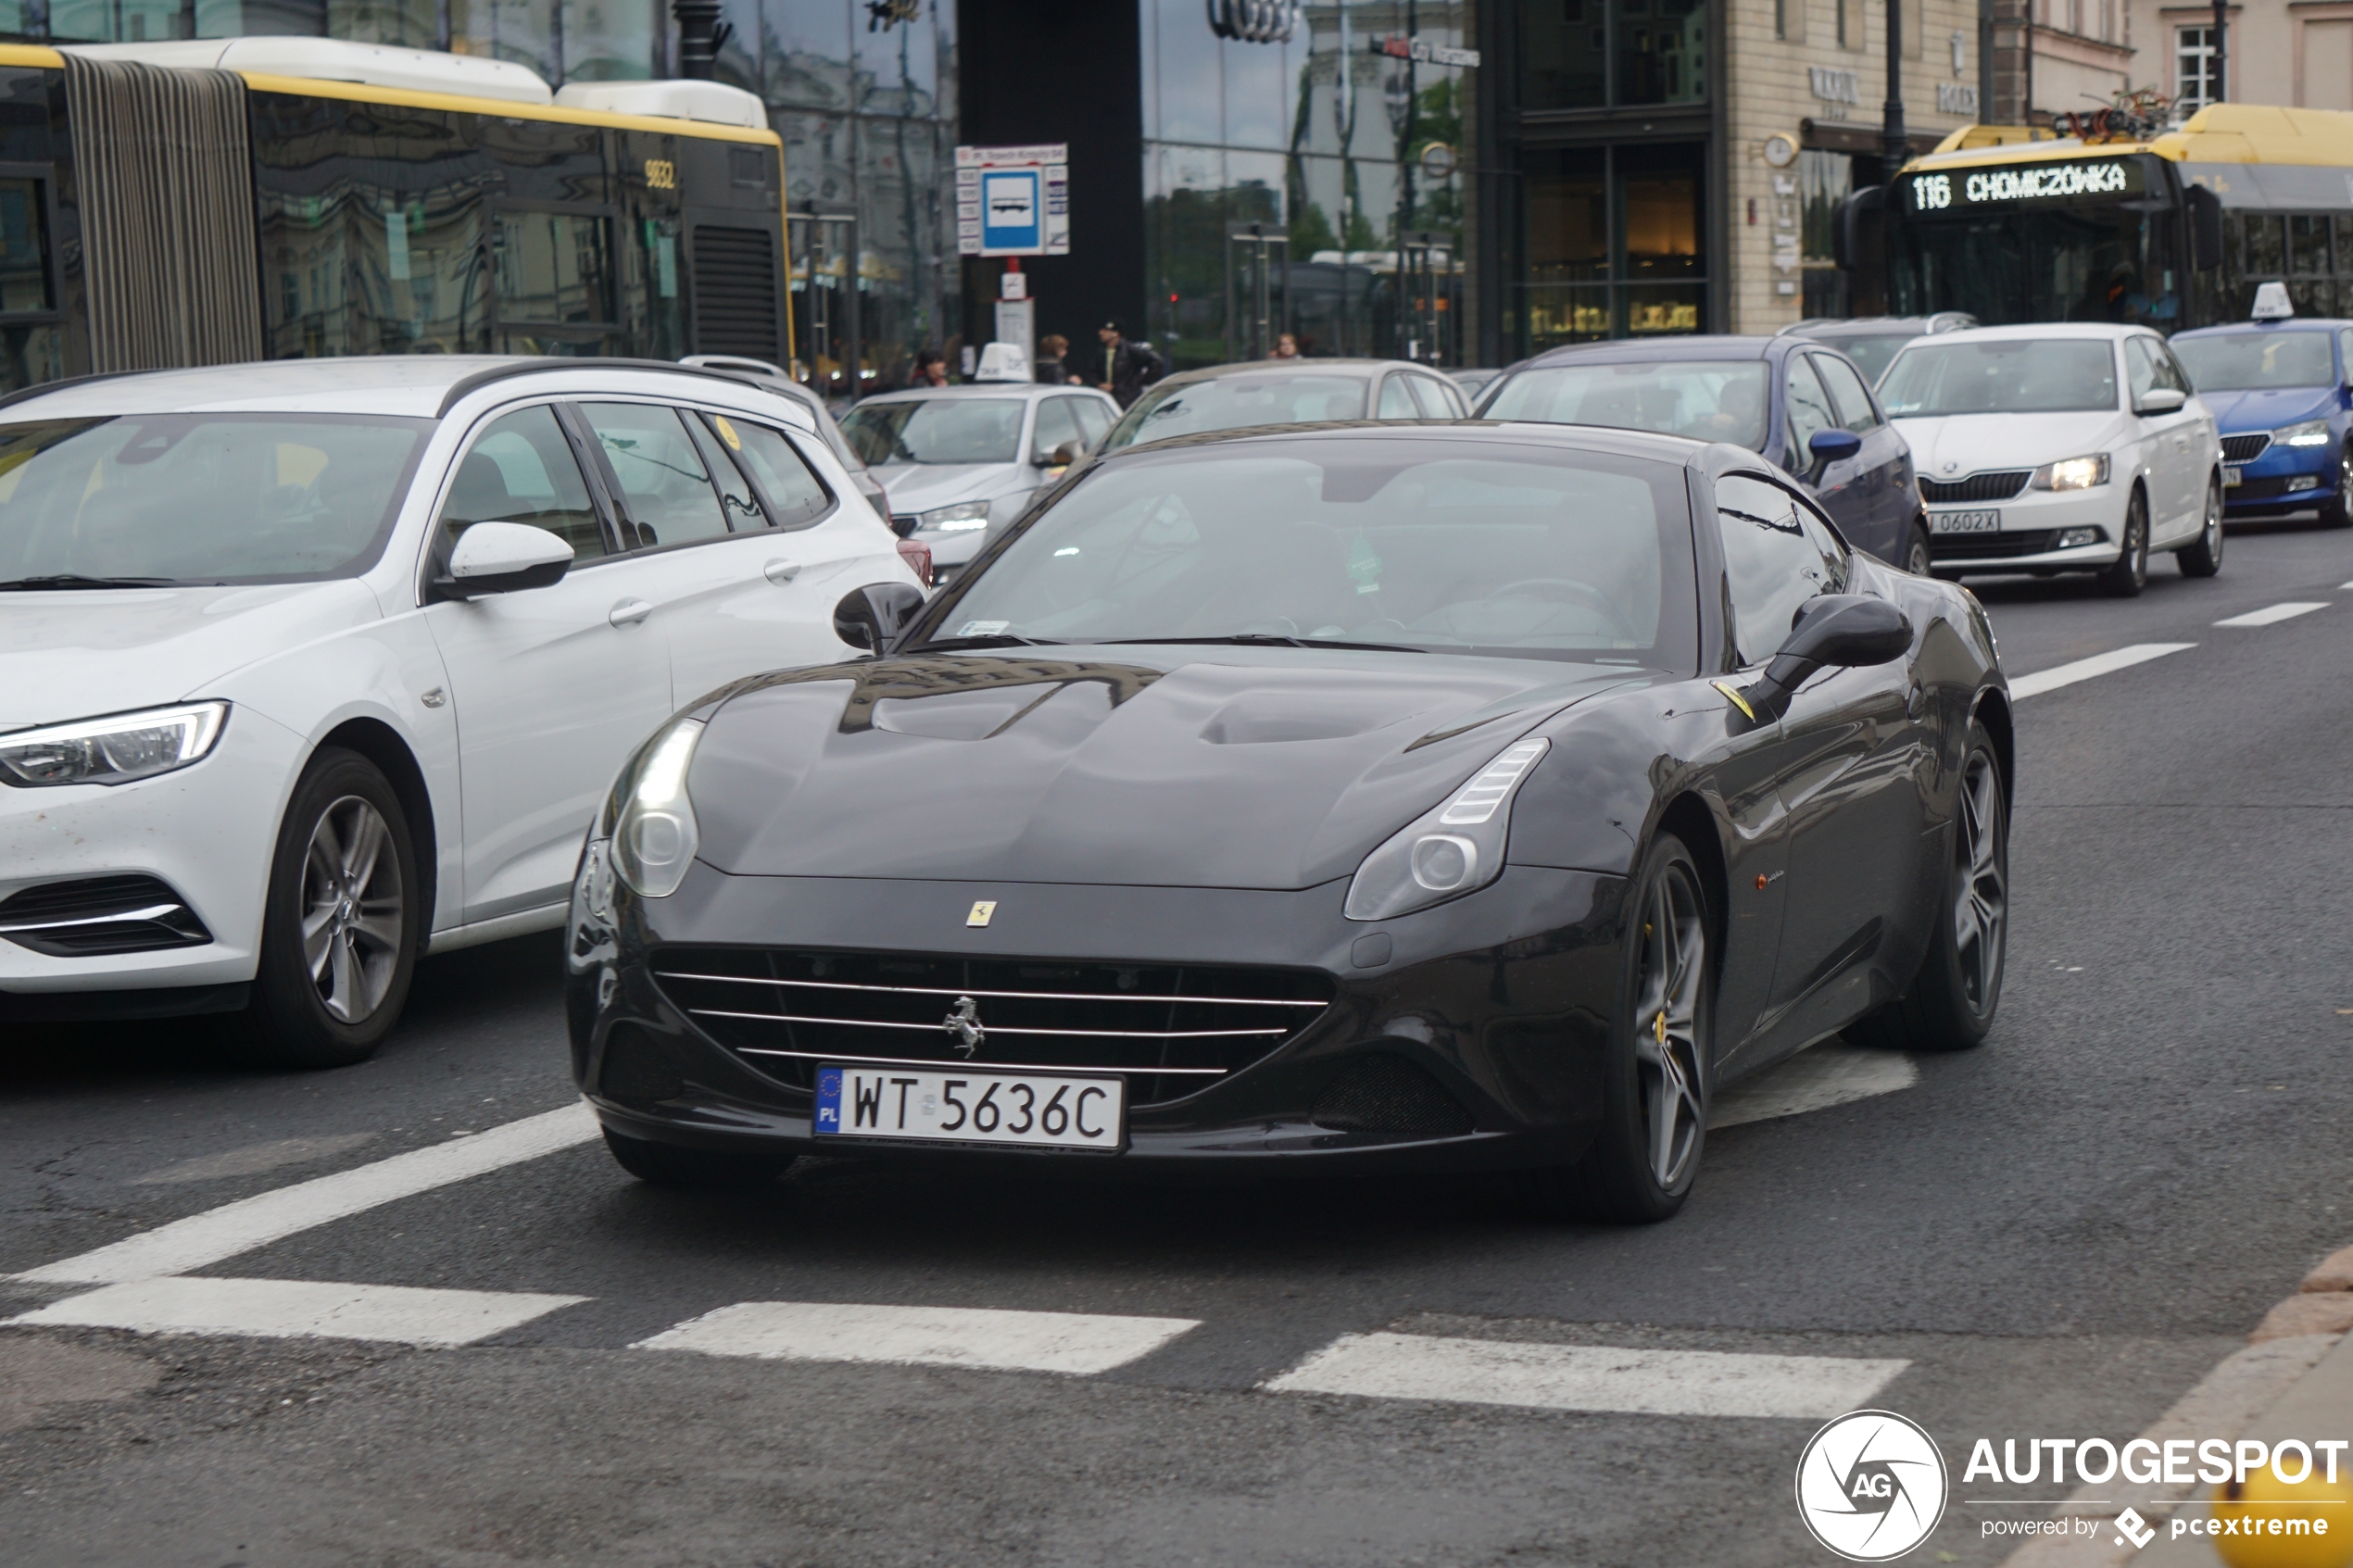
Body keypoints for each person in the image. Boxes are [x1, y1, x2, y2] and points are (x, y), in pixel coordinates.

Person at [1069, 320, 1165, 408]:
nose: (1101, 333)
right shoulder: (1102, 353)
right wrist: (1099, 384)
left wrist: (1139, 382)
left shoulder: (1129, 349)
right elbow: (1091, 373)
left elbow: (1156, 362)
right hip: (1108, 401)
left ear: (1115, 333)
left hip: (1128, 401)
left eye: (1105, 330)